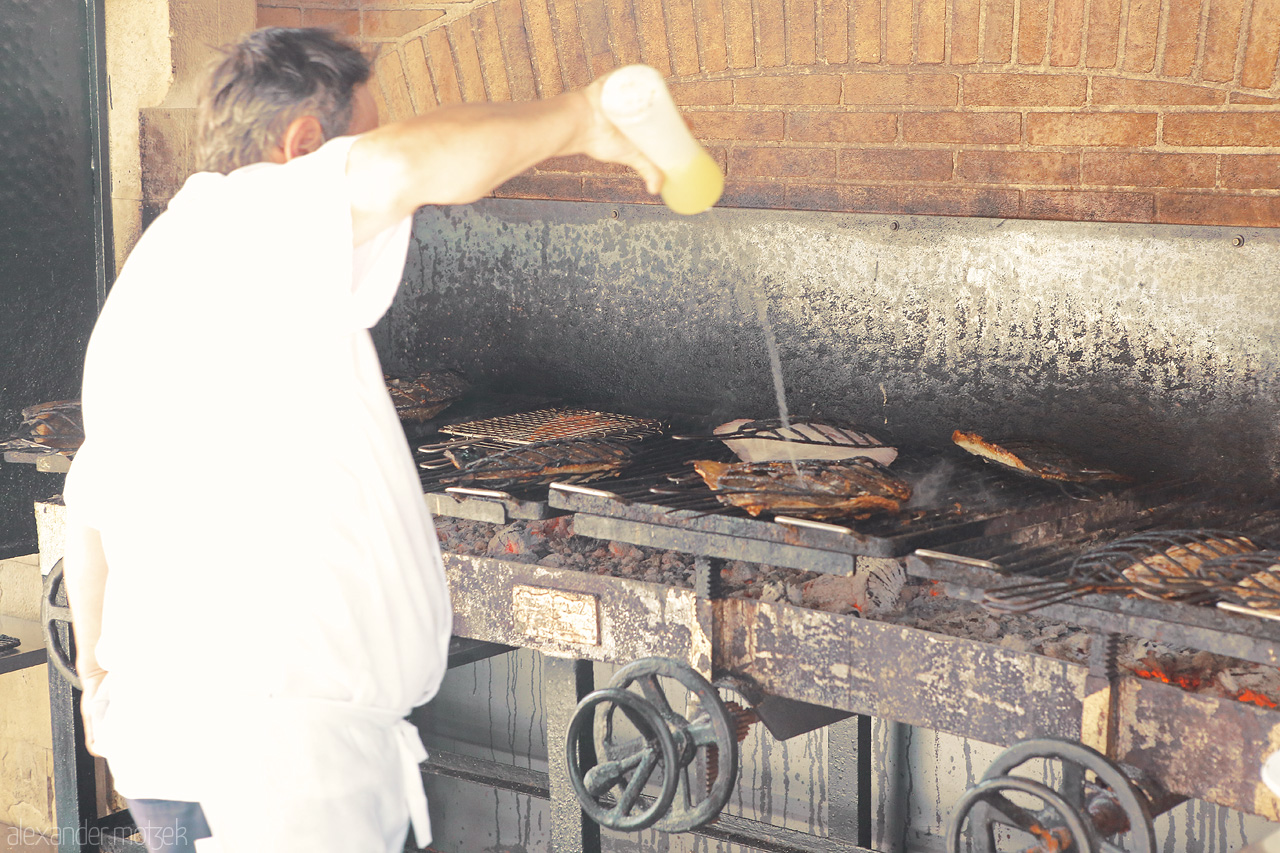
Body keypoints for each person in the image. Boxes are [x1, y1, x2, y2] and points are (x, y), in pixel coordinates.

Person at [61, 26, 661, 853]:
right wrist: (585, 117)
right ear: (302, 145)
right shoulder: (249, 218)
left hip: (212, 748)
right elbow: (412, 165)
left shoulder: (166, 276)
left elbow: (90, 504)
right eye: (367, 133)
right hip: (271, 765)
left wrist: (100, 673)